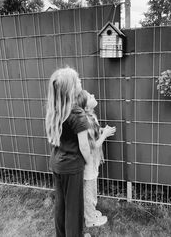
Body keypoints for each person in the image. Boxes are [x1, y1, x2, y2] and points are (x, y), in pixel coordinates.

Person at [45, 67, 91, 237]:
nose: (80, 81)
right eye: (77, 80)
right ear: (71, 88)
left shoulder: (55, 109)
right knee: (74, 207)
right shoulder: (77, 113)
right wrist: (89, 161)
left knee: (61, 204)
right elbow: (84, 146)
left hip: (57, 164)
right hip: (72, 167)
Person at [76, 90, 116, 228]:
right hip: (88, 163)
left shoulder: (91, 116)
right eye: (90, 96)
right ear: (86, 107)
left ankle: (90, 213)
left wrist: (102, 131)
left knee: (90, 190)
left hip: (92, 161)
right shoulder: (85, 122)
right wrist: (104, 134)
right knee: (89, 193)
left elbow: (94, 134)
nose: (93, 95)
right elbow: (93, 146)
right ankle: (90, 220)